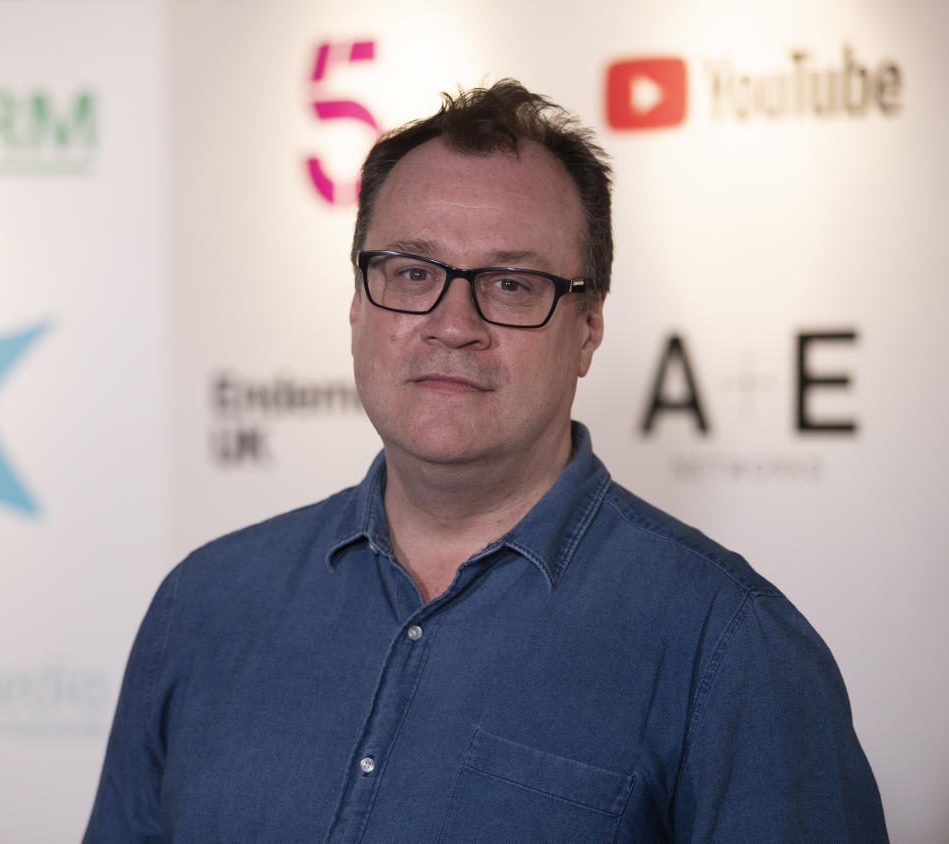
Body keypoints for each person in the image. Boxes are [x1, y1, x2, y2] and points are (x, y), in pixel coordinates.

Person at [84, 79, 887, 842]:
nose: (452, 323)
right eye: (411, 272)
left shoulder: (732, 651)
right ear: (358, 304)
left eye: (510, 284)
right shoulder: (204, 606)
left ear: (588, 328)